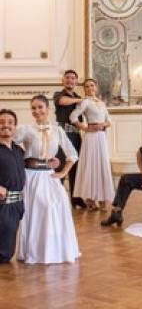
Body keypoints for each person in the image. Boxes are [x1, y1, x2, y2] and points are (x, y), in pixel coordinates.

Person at [15, 95, 80, 264]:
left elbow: (72, 154)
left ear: (48, 108)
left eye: (40, 107)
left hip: (50, 176)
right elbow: (9, 145)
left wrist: (63, 171)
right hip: (31, 176)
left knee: (58, 206)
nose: (36, 111)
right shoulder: (26, 129)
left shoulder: (58, 130)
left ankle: (54, 251)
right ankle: (34, 252)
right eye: (33, 108)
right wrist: (24, 159)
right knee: (36, 211)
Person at [70, 78, 114, 211]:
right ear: (84, 89)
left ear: (96, 87)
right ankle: (90, 199)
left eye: (92, 85)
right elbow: (73, 117)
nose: (89, 88)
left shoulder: (101, 103)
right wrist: (84, 128)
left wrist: (103, 125)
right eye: (87, 86)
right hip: (90, 137)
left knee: (102, 165)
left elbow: (109, 120)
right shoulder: (85, 102)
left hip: (101, 137)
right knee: (90, 165)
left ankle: (104, 199)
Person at [53, 69, 86, 209]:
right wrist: (81, 100)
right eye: (67, 78)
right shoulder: (59, 94)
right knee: (60, 165)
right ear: (63, 80)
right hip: (62, 134)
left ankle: (76, 199)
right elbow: (62, 101)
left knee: (76, 167)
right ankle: (57, 197)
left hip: (76, 134)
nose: (70, 80)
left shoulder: (79, 97)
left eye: (73, 78)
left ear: (76, 81)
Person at [0, 109, 25, 263]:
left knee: (7, 251)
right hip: (2, 202)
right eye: (1, 122)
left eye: (10, 122)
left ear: (15, 127)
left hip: (17, 204)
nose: (6, 125)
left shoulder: (18, 149)